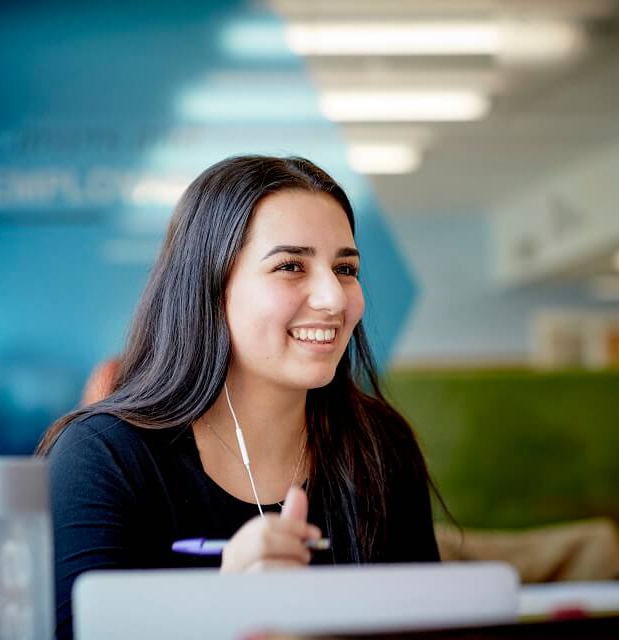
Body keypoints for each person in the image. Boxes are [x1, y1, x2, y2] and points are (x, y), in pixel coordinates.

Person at [36, 155, 440, 639]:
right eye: (291, 266)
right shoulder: (102, 458)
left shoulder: (380, 446)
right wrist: (223, 608)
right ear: (210, 287)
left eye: (346, 268)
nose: (334, 298)